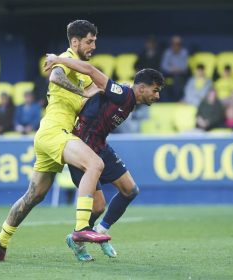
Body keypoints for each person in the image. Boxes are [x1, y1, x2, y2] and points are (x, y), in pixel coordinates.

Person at [0, 20, 111, 262]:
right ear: (75, 42)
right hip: (55, 133)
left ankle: (0, 241)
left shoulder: (80, 70)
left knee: (33, 196)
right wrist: (83, 92)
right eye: (89, 41)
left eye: (94, 41)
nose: (93, 45)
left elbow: (96, 88)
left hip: (47, 136)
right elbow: (54, 76)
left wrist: (115, 91)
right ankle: (80, 230)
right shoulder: (63, 59)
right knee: (95, 164)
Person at [44, 54, 164, 261]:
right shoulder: (124, 94)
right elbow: (90, 71)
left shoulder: (128, 99)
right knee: (98, 206)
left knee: (130, 190)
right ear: (142, 88)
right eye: (155, 90)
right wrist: (58, 59)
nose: (157, 96)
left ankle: (100, 230)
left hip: (99, 144)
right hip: (81, 146)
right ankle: (77, 239)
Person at [160, 35, 189, 101]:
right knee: (160, 78)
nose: (176, 45)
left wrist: (175, 69)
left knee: (177, 79)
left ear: (180, 45)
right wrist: (172, 69)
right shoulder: (168, 52)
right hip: (169, 73)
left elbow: (184, 67)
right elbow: (164, 66)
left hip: (180, 74)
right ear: (171, 44)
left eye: (178, 44)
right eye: (174, 44)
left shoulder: (184, 52)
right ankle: (165, 101)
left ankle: (177, 100)